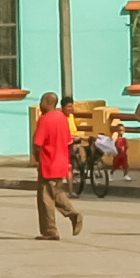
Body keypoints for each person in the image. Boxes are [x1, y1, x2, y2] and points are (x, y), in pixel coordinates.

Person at [31, 91, 84, 240]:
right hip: (61, 162)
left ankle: (50, 230)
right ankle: (73, 215)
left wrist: (37, 159)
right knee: (57, 193)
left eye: (42, 101)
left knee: (45, 198)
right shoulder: (62, 118)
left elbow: (37, 144)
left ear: (48, 102)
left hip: (48, 163)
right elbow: (68, 140)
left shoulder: (45, 120)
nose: (40, 105)